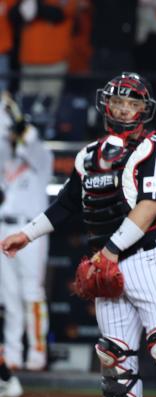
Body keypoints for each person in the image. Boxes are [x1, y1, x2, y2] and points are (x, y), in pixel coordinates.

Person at [0, 72, 156, 397]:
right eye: (119, 102)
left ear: (144, 110)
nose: (125, 110)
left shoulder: (155, 149)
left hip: (149, 256)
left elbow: (149, 206)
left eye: (133, 103)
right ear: (106, 105)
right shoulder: (87, 156)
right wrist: (26, 235)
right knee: (113, 356)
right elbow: (65, 205)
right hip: (106, 262)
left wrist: (110, 251)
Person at [0, 91, 51, 371]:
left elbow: (30, 140)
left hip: (31, 230)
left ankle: (37, 353)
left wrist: (18, 118)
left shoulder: (41, 157)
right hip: (3, 228)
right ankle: (13, 354)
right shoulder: (5, 160)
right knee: (8, 295)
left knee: (32, 291)